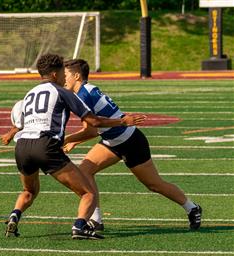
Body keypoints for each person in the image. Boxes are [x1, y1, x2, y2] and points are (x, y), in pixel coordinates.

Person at [3, 53, 145, 239]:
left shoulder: (30, 93)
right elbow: (93, 122)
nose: (65, 75)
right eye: (63, 71)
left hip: (21, 147)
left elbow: (20, 121)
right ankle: (80, 226)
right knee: (88, 192)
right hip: (45, 145)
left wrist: (11, 132)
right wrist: (122, 121)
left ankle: (15, 215)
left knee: (29, 190)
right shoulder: (63, 92)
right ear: (55, 74)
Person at [62, 58, 202, 231]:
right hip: (112, 141)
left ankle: (192, 207)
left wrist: (68, 139)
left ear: (76, 76)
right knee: (84, 172)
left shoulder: (84, 95)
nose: (63, 78)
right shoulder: (85, 91)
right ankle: (95, 219)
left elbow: (92, 129)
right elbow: (97, 126)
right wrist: (76, 141)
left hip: (130, 141)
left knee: (154, 184)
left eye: (66, 74)